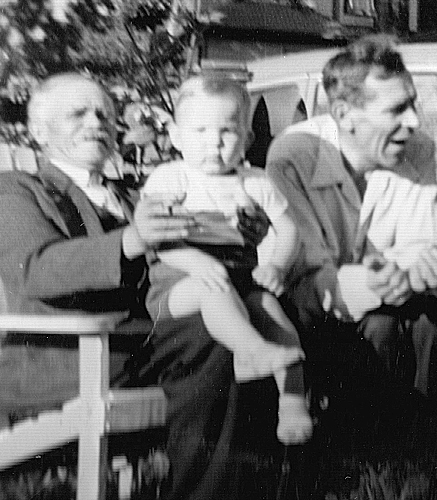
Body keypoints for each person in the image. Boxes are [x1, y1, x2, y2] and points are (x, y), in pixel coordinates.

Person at [0, 73, 268, 500]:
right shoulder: (16, 189)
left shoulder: (136, 194)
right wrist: (132, 239)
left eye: (105, 113)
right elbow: (36, 270)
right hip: (70, 351)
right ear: (37, 131)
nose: (98, 122)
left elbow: (197, 262)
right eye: (79, 113)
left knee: (259, 314)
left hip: (146, 337)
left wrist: (247, 235)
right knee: (207, 335)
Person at [265, 35, 437, 447]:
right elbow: (303, 273)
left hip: (386, 309)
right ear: (345, 114)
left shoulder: (416, 149)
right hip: (308, 316)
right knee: (383, 329)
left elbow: (423, 243)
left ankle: (420, 469)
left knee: (426, 323)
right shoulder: (294, 156)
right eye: (396, 110)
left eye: (413, 105)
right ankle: (360, 472)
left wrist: (408, 273)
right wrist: (374, 283)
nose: (414, 122)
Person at [142, 75, 312, 445]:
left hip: (241, 276)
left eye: (227, 131)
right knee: (211, 290)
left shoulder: (255, 182)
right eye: (200, 130)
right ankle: (251, 350)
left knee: (274, 314)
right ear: (175, 136)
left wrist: (277, 266)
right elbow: (154, 236)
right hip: (177, 280)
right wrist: (193, 261)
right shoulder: (171, 178)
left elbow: (290, 229)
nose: (213, 143)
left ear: (248, 139)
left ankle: (293, 402)